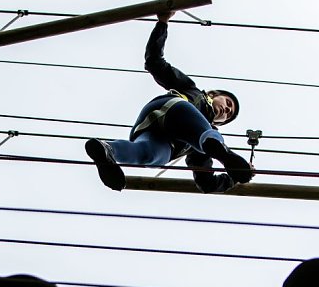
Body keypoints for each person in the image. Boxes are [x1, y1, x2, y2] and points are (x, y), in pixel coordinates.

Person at [85, 11, 253, 193]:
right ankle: (223, 153)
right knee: (209, 134)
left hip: (160, 139)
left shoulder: (197, 149)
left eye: (228, 114)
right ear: (213, 94)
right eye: (227, 103)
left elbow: (206, 183)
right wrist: (162, 23)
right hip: (171, 109)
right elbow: (155, 62)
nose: (227, 110)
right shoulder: (193, 91)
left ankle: (108, 150)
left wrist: (233, 179)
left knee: (150, 155)